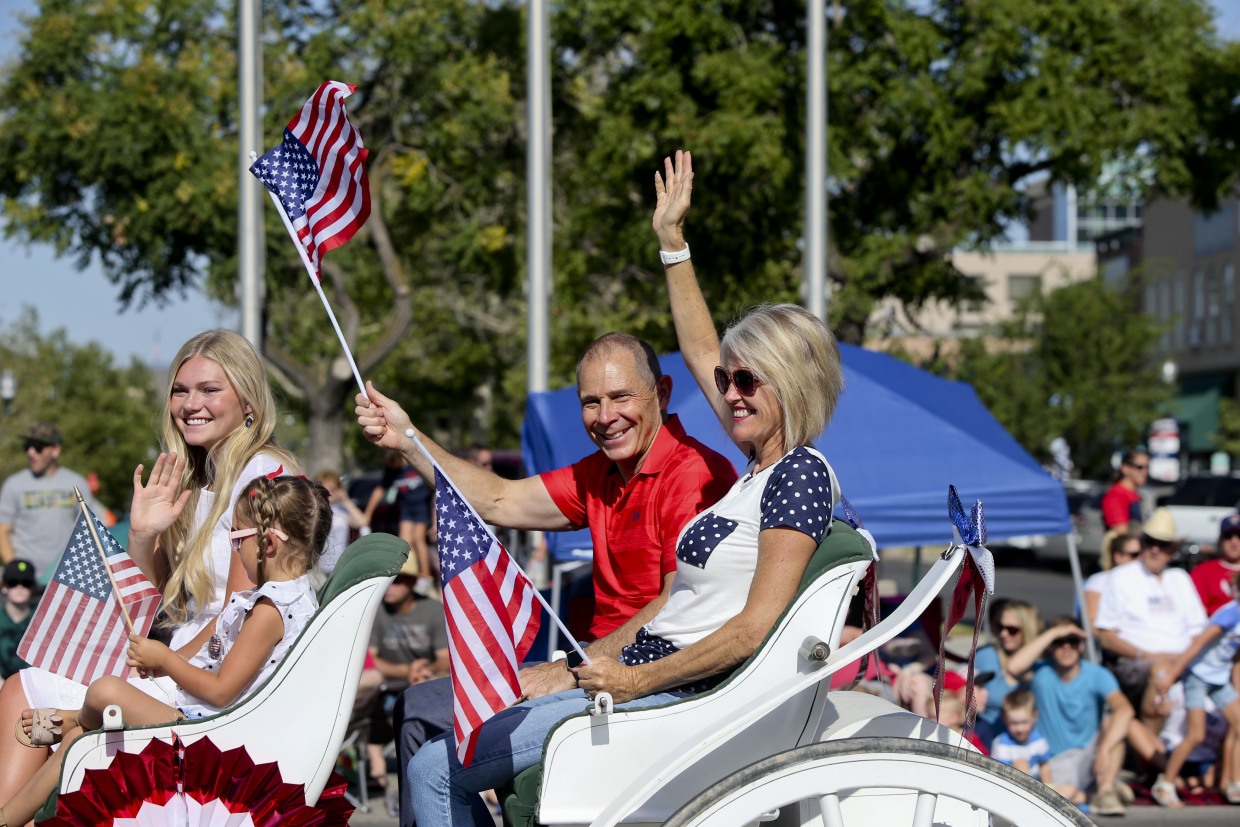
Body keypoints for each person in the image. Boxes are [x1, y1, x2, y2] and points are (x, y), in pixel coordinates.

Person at [397, 149, 844, 825]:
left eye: (746, 381)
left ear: (791, 383)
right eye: (728, 381)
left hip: (673, 694)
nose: (729, 392)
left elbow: (751, 630)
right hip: (639, 677)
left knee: (436, 766)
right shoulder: (759, 470)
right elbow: (700, 351)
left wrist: (632, 676)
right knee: (438, 743)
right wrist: (673, 245)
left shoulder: (797, 473)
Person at [358, 334, 738, 826]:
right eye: (591, 403)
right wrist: (406, 438)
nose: (605, 416)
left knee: (433, 756)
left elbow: (674, 604)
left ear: (662, 394)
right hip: (592, 668)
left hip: (641, 683)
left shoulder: (693, 473)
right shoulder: (602, 472)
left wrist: (566, 672)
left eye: (621, 397)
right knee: (417, 706)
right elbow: (498, 500)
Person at [0, 329, 298, 803]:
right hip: (181, 665)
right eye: (180, 390)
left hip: (211, 690)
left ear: (249, 402)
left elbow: (235, 618)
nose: (190, 404)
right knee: (27, 687)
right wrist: (143, 534)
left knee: (28, 693)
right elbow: (146, 598)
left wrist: (163, 668)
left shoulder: (261, 478)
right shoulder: (203, 477)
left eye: (209, 390)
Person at [1, 475, 328, 826]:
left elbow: (220, 692)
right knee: (77, 742)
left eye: (236, 538)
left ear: (269, 544)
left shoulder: (270, 611)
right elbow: (211, 645)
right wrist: (161, 666)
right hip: (199, 717)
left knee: (105, 691)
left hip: (211, 734)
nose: (235, 549)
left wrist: (165, 659)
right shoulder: (265, 600)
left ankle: (77, 717)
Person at [1006, 617, 1134, 816]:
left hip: (1088, 758)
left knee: (1117, 737)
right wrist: (1053, 633)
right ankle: (1093, 794)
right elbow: (1013, 667)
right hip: (1051, 762)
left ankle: (1106, 792)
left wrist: (1104, 749)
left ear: (1082, 644)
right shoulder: (1041, 672)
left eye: (1072, 641)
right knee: (1050, 796)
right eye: (1059, 642)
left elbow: (1125, 710)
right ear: (1050, 645)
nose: (1066, 648)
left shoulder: (1097, 674)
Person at [1093, 508, 1207, 731]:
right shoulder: (1122, 576)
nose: (1155, 549)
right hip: (1135, 661)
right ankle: (1154, 756)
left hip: (1182, 660)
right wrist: (1148, 655)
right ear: (1142, 543)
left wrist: (1181, 659)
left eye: (1162, 545)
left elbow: (1198, 631)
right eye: (1150, 542)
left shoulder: (1180, 578)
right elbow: (1106, 636)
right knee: (1161, 672)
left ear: (1173, 550)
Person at [356, 558, 449, 794]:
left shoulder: (432, 609)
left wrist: (422, 670)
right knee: (370, 683)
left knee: (429, 691)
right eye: (386, 582)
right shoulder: (376, 610)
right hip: (385, 685)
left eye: (396, 582)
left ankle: (434, 765)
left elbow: (445, 657)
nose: (389, 587)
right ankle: (375, 760)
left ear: (412, 583)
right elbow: (369, 658)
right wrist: (406, 671)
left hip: (423, 679)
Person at [1149, 570, 1240, 806]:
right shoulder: (1230, 614)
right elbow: (1197, 643)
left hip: (1219, 679)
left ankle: (1235, 783)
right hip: (1198, 677)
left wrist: (1237, 688)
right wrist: (1171, 676)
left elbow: (1236, 656)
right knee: (1196, 734)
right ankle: (1165, 783)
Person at [0, 422, 102, 584]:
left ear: (55, 450)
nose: (31, 452)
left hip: (67, 579)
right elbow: (3, 531)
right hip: (25, 581)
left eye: (38, 447)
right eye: (28, 446)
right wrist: (15, 570)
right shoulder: (14, 484)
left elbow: (90, 529)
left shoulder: (76, 483)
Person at [972, 598, 1042, 743]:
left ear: (1028, 629)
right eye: (1000, 627)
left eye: (1012, 630)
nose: (1003, 634)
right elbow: (995, 695)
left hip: (1034, 744)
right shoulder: (987, 655)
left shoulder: (1042, 663)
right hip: (991, 741)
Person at [1083, 532, 1141, 629]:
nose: (1139, 559)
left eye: (1142, 554)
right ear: (1118, 557)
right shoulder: (1100, 581)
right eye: (1134, 555)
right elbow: (1092, 623)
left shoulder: (1150, 580)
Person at [316, 470, 370, 574]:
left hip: (341, 566)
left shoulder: (342, 509)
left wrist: (345, 500)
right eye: (325, 489)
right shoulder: (316, 509)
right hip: (320, 568)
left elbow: (362, 522)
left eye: (333, 489)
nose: (329, 493)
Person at [990, 689, 1051, 781]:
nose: (1020, 729)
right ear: (1005, 719)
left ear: (1034, 716)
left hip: (1038, 786)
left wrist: (1049, 786)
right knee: (1021, 765)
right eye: (1014, 723)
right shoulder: (1001, 744)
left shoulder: (1039, 740)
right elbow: (999, 775)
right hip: (1011, 787)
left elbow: (1044, 766)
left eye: (1024, 722)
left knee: (1072, 790)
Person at [1191, 513, 1240, 616]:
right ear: (1220, 540)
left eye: (1239, 536)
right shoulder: (1202, 572)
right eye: (1228, 537)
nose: (1234, 542)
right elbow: (1196, 613)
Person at [0, 560, 36, 680]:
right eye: (13, 582)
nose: (19, 587)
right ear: (4, 586)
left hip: (34, 686)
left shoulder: (42, 620)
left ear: (33, 586)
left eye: (26, 583)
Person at [1100, 449, 1148, 533]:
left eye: (1147, 467)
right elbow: (1121, 531)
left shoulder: (1135, 494)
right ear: (1125, 468)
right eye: (1140, 467)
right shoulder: (1116, 495)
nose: (1145, 472)